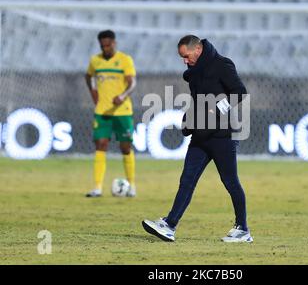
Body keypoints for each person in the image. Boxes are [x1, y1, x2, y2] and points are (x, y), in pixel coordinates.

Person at [142, 35, 253, 243]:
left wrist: (215, 112)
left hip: (222, 135)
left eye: (186, 56)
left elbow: (239, 92)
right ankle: (170, 225)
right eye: (182, 58)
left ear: (198, 49)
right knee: (187, 180)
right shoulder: (194, 73)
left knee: (230, 182)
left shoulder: (222, 64)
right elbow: (199, 102)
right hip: (201, 136)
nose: (184, 61)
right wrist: (190, 118)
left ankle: (243, 229)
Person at [85, 30, 137, 197]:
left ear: (114, 43)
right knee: (100, 144)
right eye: (102, 46)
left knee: (126, 147)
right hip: (102, 111)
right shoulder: (95, 61)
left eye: (108, 45)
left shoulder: (124, 60)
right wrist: (93, 92)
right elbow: (88, 76)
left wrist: (122, 96)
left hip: (122, 111)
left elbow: (132, 83)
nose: (105, 48)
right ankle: (97, 187)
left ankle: (132, 185)